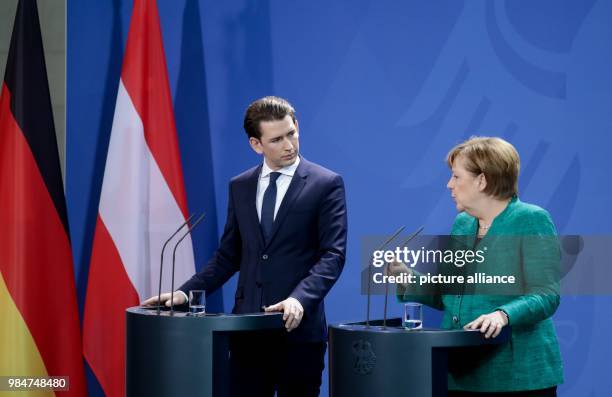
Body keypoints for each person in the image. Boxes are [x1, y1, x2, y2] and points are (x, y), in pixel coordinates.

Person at [143, 96, 347, 396]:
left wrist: (299, 299)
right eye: (277, 139)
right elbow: (228, 256)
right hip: (247, 333)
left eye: (292, 133)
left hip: (299, 333)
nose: (289, 144)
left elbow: (333, 254)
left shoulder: (325, 183)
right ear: (256, 144)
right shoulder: (240, 186)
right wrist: (184, 293)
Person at [388, 137, 563, 396]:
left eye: (456, 177)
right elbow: (450, 294)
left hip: (516, 377)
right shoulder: (462, 224)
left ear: (482, 181)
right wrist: (408, 279)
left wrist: (502, 315)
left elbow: (546, 294)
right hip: (460, 374)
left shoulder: (531, 219)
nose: (449, 185)